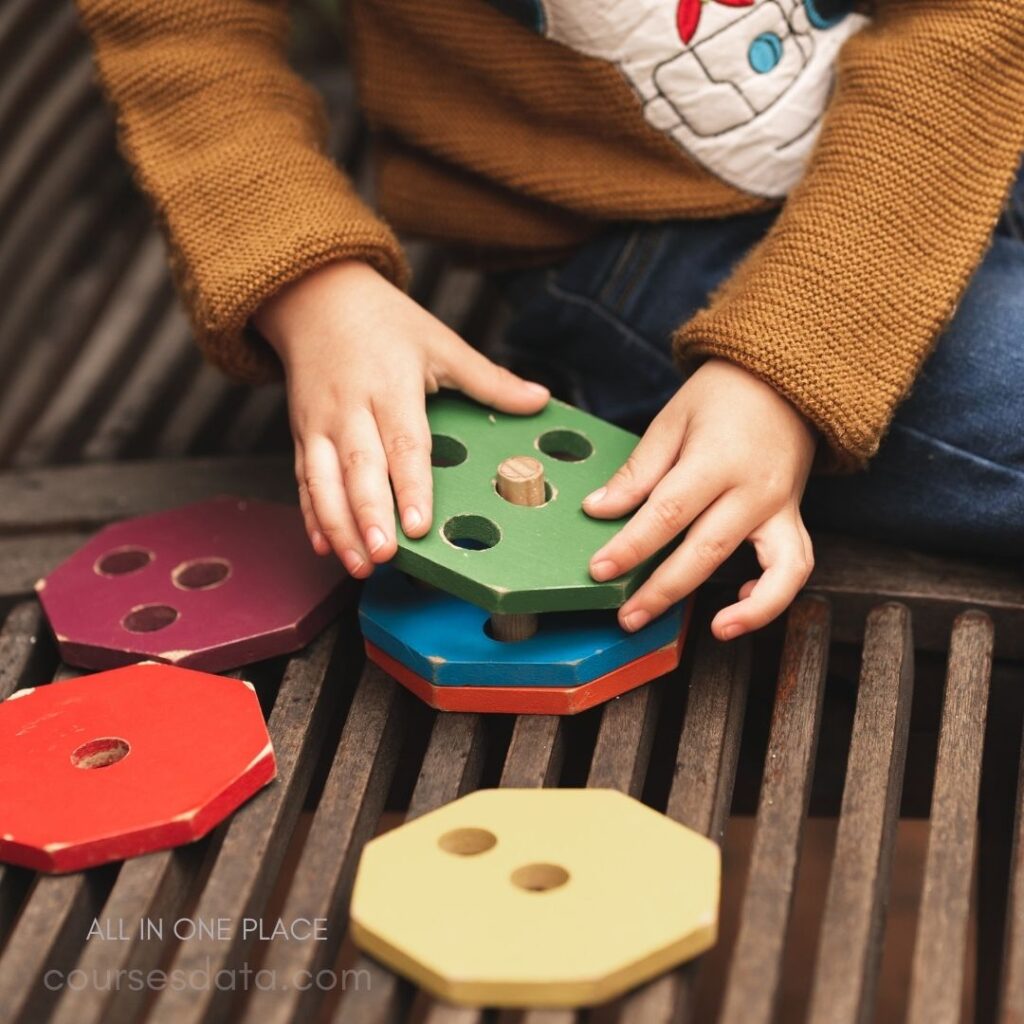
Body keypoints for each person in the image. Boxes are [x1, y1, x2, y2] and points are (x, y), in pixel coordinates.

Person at [75, 0, 1024, 640]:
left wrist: (812, 328)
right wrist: (307, 278)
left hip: (956, 125)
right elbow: (182, 27)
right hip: (658, 245)